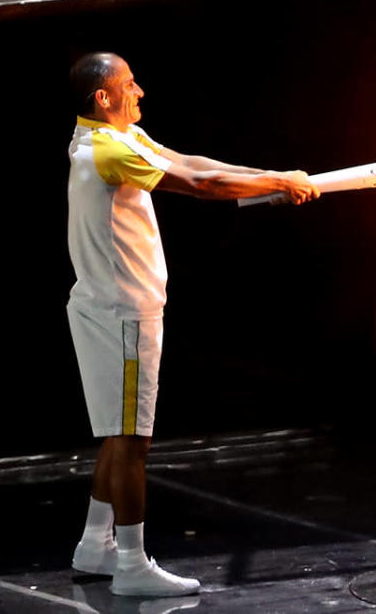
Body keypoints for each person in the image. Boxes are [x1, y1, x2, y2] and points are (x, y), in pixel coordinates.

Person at [65, 52, 318, 597]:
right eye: (128, 85)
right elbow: (199, 184)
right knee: (133, 441)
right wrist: (276, 179)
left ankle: (95, 544)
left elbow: (193, 160)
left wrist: (272, 179)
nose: (141, 91)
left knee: (118, 431)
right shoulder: (110, 150)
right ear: (102, 98)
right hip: (123, 315)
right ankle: (131, 565)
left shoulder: (113, 138)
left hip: (107, 308)